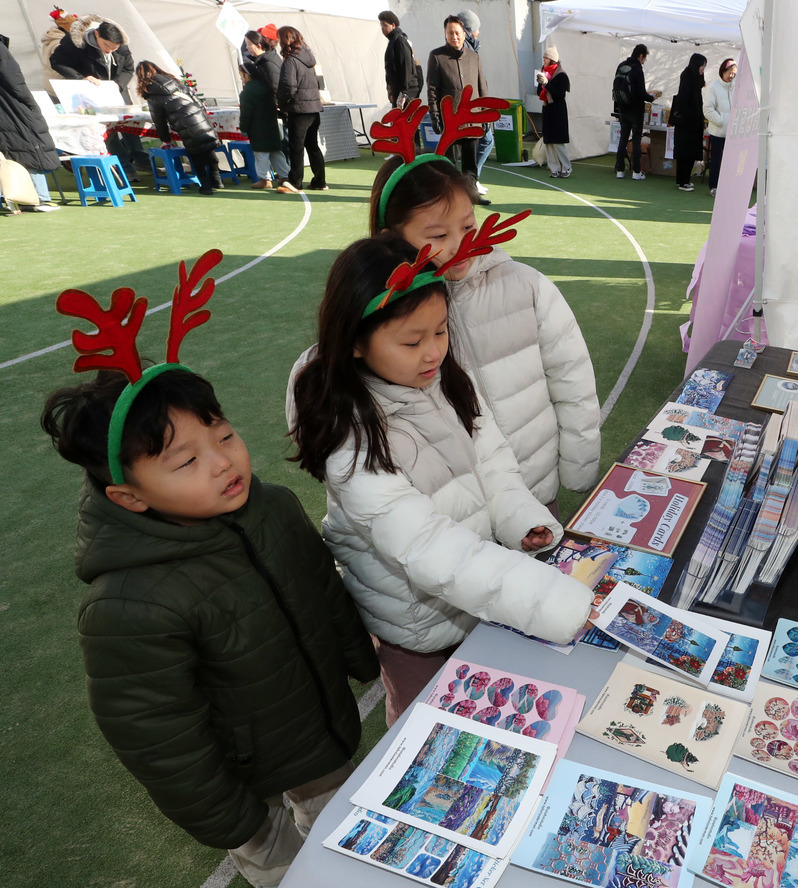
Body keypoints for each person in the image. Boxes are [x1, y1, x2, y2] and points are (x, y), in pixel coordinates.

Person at [40, 364, 378, 887]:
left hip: (312, 732)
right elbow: (157, 734)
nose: (223, 462)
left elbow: (322, 589)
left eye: (223, 434)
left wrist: (358, 654)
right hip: (240, 781)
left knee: (345, 835)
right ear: (131, 496)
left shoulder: (275, 510)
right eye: (187, 461)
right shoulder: (129, 605)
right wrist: (229, 818)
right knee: (286, 868)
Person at [287, 234, 594, 725]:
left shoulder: (446, 379)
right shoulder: (353, 435)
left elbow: (494, 465)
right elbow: (429, 549)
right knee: (419, 722)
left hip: (479, 594)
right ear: (356, 342)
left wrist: (521, 517)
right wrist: (549, 599)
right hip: (415, 623)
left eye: (441, 331)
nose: (432, 352)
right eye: (412, 341)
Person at [367, 154, 601, 511]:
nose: (460, 245)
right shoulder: (381, 318)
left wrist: (579, 467)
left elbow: (572, 379)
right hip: (459, 514)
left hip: (535, 491)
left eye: (468, 228)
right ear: (391, 237)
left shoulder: (527, 287)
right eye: (439, 235)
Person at [48, 15, 143, 178]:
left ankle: (141, 159)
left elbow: (128, 68)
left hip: (116, 92)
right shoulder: (74, 44)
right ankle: (125, 166)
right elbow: (56, 62)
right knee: (105, 131)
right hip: (89, 95)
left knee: (130, 125)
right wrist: (81, 78)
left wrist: (118, 83)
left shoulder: (121, 46)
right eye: (107, 45)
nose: (110, 50)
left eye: (115, 48)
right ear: (97, 34)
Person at [426, 15, 490, 203]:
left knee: (471, 163)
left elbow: (482, 86)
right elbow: (432, 89)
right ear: (445, 34)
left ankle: (471, 195)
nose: (454, 36)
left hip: (473, 117)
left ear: (464, 34)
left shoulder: (474, 57)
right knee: (450, 163)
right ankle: (452, 200)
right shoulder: (437, 56)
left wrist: (485, 113)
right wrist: (435, 115)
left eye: (458, 33)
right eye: (450, 33)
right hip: (450, 119)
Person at [135, 61, 222, 195]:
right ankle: (217, 181)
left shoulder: (152, 96)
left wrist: (166, 140)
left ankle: (206, 186)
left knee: (196, 156)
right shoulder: (176, 83)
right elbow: (198, 102)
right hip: (200, 119)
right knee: (208, 147)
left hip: (186, 126)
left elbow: (160, 123)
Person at [0, 35, 61, 211]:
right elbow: (15, 81)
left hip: (8, 105)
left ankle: (30, 198)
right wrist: (28, 103)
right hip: (11, 106)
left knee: (21, 148)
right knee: (29, 147)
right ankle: (38, 198)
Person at [275, 25, 327, 194]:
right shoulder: (308, 59)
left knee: (296, 147)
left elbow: (288, 86)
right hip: (313, 109)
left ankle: (295, 182)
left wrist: (281, 104)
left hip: (299, 110)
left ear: (284, 41)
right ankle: (320, 181)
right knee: (312, 146)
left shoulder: (291, 61)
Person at [457, 10, 493, 194]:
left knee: (479, 142)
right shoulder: (467, 50)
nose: (479, 31)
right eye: (477, 28)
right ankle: (470, 180)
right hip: (471, 107)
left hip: (473, 105)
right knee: (484, 140)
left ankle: (471, 179)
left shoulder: (471, 48)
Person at [237, 64, 289, 190]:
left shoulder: (247, 92)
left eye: (241, 75)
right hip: (271, 125)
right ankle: (286, 175)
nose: (241, 79)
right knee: (276, 152)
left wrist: (243, 128)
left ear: (247, 75)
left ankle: (265, 179)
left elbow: (246, 114)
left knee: (261, 154)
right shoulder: (266, 86)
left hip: (257, 128)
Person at [613, 44, 659, 180]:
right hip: (636, 110)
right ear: (641, 56)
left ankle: (620, 170)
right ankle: (636, 172)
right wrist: (651, 98)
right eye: (644, 58)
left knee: (623, 139)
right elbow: (640, 92)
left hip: (623, 109)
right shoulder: (637, 69)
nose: (644, 61)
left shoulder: (621, 66)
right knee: (636, 140)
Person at [670, 53, 707, 192]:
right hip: (688, 124)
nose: (703, 69)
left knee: (686, 153)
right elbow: (684, 102)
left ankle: (682, 180)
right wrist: (694, 117)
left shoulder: (690, 78)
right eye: (702, 65)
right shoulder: (689, 80)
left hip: (689, 124)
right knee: (687, 154)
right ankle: (683, 181)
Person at [702, 57, 736, 196]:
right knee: (716, 160)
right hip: (718, 131)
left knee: (731, 161)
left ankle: (728, 186)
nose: (731, 76)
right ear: (723, 71)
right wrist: (722, 121)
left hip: (733, 132)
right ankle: (714, 186)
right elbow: (708, 110)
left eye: (734, 73)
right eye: (729, 73)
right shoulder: (713, 87)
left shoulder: (736, 87)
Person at [535, 45, 571, 178]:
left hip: (558, 110)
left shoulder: (561, 75)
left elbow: (559, 95)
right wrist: (541, 83)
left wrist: (547, 83)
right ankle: (554, 168)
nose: (544, 60)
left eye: (546, 58)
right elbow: (539, 92)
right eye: (544, 57)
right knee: (548, 141)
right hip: (547, 108)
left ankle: (566, 167)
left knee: (557, 142)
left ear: (553, 60)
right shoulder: (543, 72)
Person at [379, 10, 421, 107]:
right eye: (381, 26)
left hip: (406, 93)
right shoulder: (393, 41)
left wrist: (404, 92)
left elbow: (406, 67)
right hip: (399, 92)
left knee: (404, 121)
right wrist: (391, 91)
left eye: (385, 25)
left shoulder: (399, 41)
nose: (382, 28)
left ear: (393, 25)